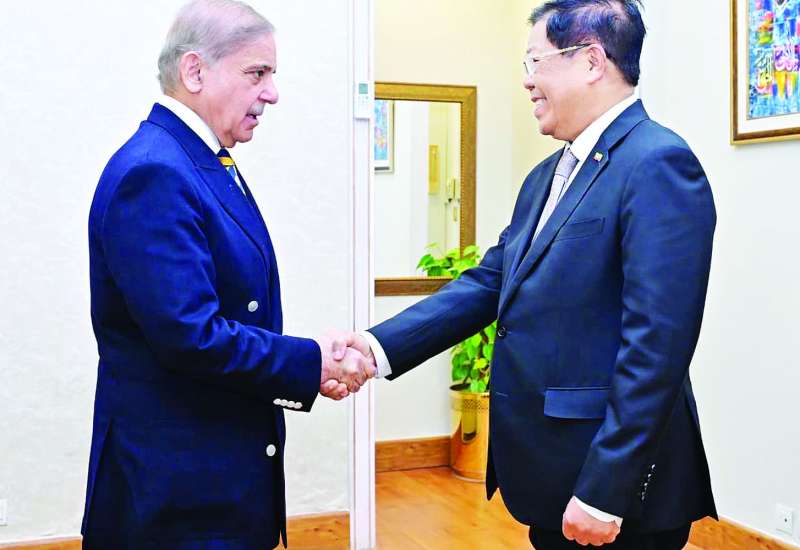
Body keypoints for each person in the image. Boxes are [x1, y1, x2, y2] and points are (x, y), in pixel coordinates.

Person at [343, 1, 717, 548]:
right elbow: (489, 283)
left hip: (612, 489)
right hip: (552, 475)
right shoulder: (547, 174)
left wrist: (605, 490)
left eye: (535, 62)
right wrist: (375, 349)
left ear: (591, 61)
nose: (526, 81)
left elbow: (657, 347)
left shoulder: (657, 163)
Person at [81, 1, 373, 548]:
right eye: (256, 73)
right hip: (175, 501)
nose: (272, 93)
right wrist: (311, 361)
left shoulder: (197, 159)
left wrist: (310, 359)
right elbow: (191, 337)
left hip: (212, 485)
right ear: (195, 71)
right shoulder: (156, 171)